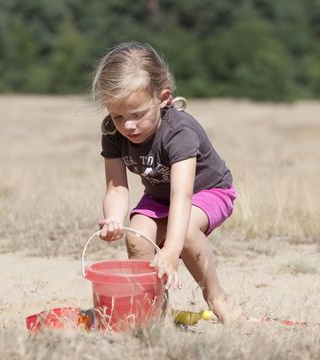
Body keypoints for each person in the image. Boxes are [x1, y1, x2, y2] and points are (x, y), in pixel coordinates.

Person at [91, 42, 241, 324]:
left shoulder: (179, 131)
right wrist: (112, 218)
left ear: (162, 98)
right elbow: (116, 187)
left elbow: (182, 196)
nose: (129, 126)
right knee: (136, 236)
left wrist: (171, 252)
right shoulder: (112, 132)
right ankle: (153, 310)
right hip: (160, 198)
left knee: (182, 234)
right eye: (118, 116)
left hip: (208, 192)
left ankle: (217, 298)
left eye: (138, 114)